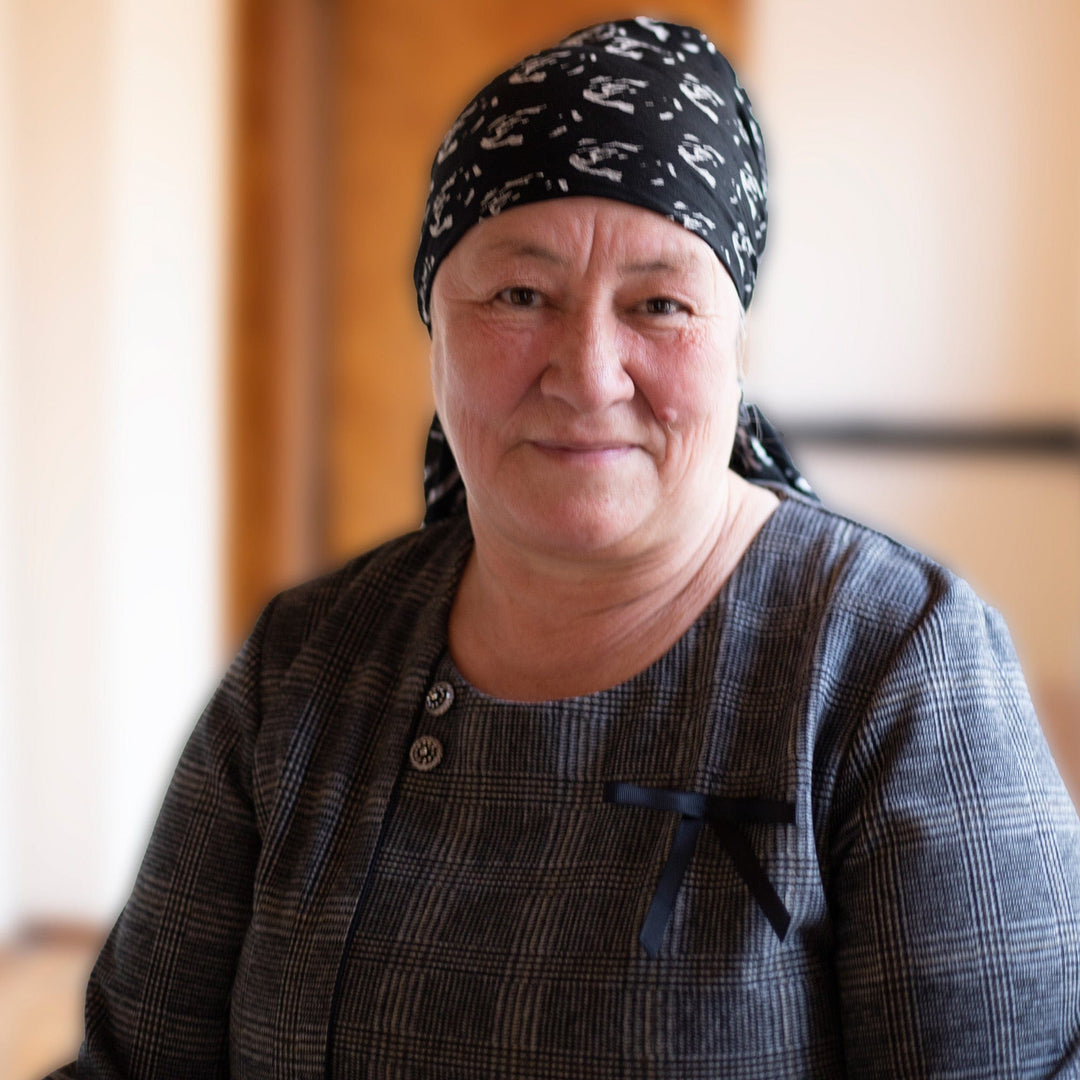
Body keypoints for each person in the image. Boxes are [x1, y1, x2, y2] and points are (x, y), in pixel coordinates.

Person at [54, 17, 1080, 1078]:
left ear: (739, 349)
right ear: (435, 330)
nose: (589, 374)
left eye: (661, 304)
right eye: (519, 295)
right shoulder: (308, 659)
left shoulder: (899, 663)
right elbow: (135, 1061)